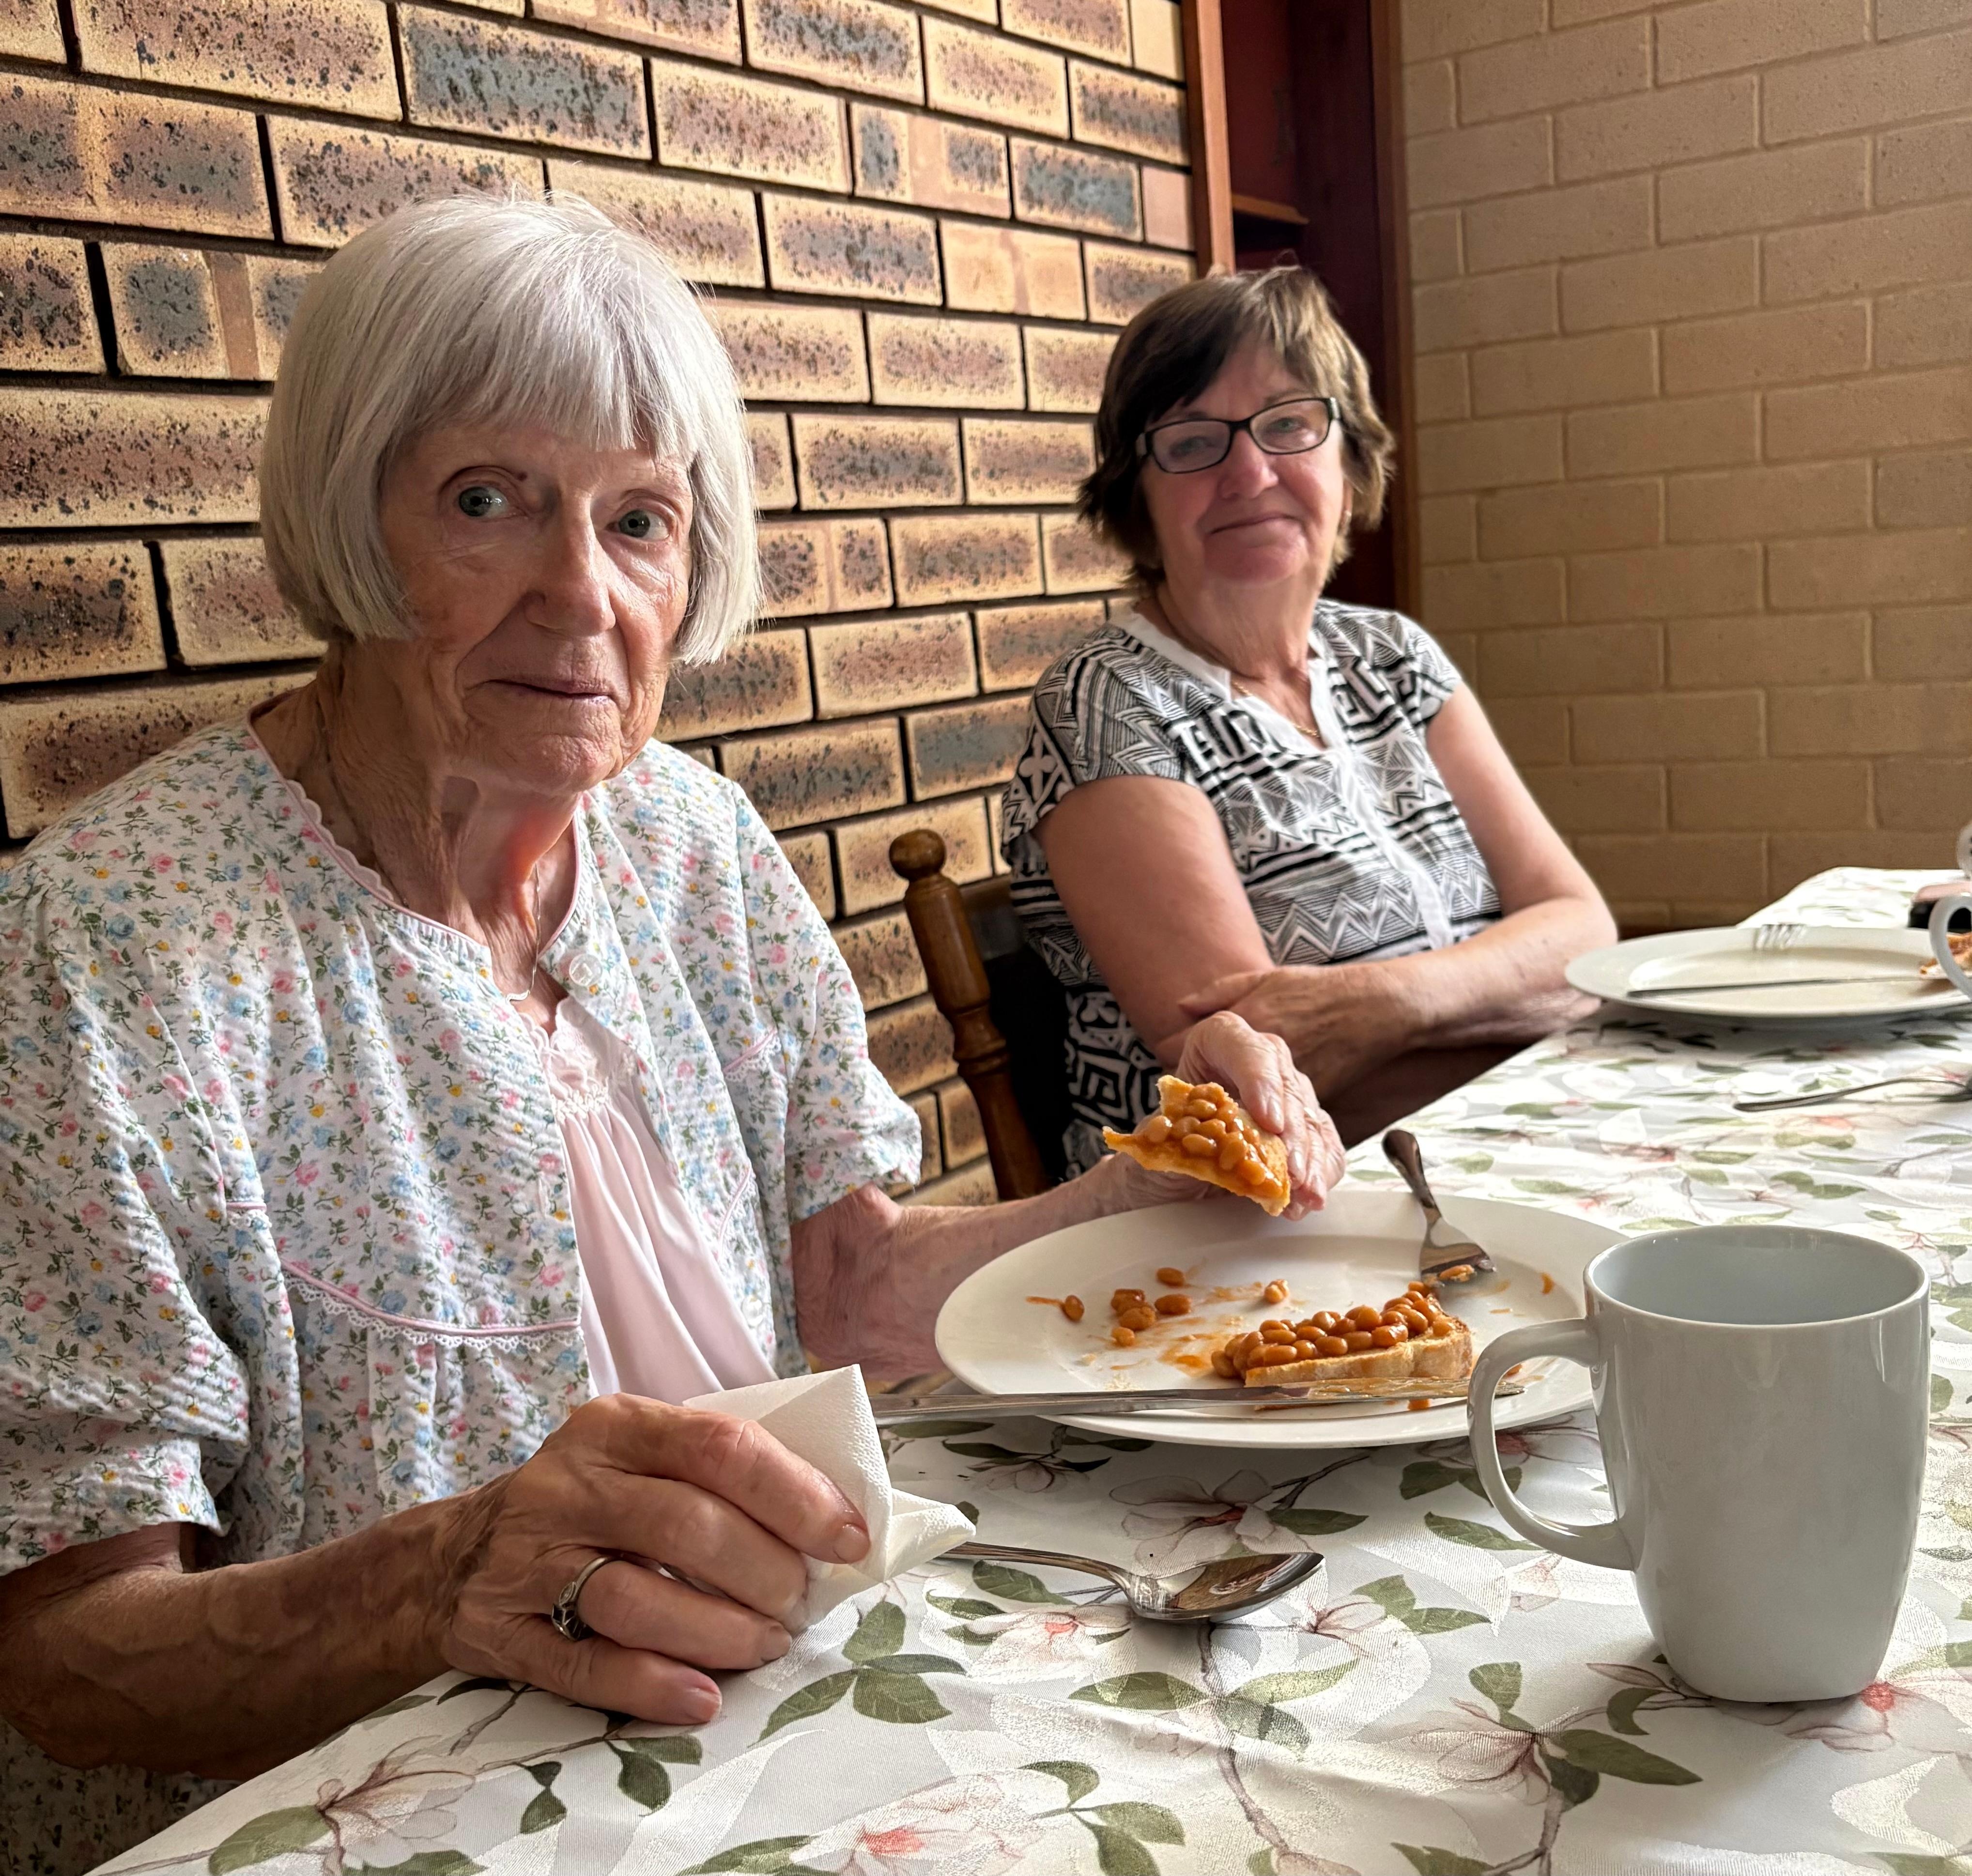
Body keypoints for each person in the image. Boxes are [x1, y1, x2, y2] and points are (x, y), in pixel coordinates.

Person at [0, 198, 1343, 1875]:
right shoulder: (118, 938)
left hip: (758, 1736)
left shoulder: (691, 845)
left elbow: (848, 1292)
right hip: (394, 1819)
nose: (580, 594)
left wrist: (1161, 1183)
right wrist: (442, 1579)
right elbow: (62, 1658)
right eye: (487, 501)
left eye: (640, 522)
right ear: (348, 515)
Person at [1002, 266, 1615, 1169]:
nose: (1249, 472)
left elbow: (1584, 930)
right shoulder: (1107, 705)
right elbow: (1258, 1077)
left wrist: (1386, 1006)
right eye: (1193, 441)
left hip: (1477, 1162)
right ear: (1137, 491)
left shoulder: (1393, 657)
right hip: (1220, 1238)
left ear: (1348, 456)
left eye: (1289, 423)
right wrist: (1521, 996)